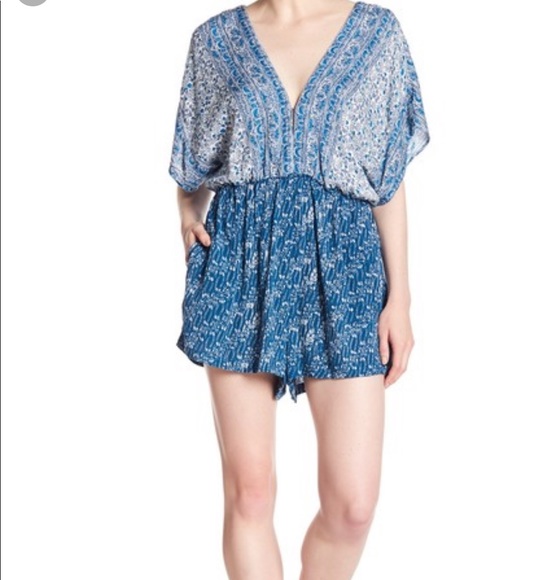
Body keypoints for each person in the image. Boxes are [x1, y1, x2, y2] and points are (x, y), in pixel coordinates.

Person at [168, 0, 430, 577]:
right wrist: (187, 215)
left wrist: (401, 298)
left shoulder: (376, 32)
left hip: (347, 265)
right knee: (250, 492)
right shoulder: (214, 40)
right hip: (240, 263)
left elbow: (386, 175)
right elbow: (194, 162)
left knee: (353, 506)